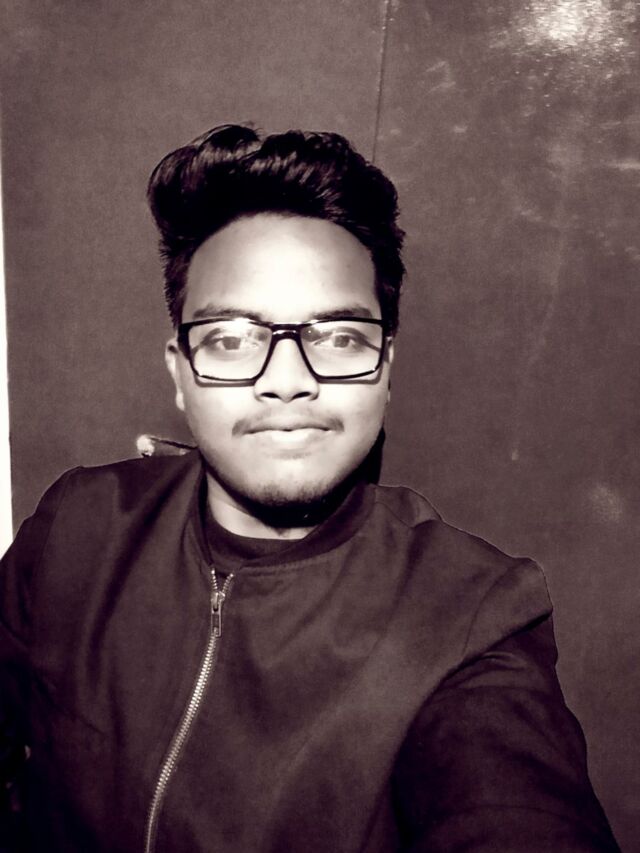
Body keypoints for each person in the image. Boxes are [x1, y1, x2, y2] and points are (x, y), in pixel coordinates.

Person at [0, 124, 620, 853]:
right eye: (231, 339)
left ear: (385, 370)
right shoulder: (78, 525)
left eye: (339, 337)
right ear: (180, 373)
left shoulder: (471, 617)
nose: (288, 380)